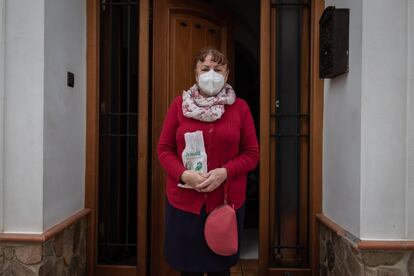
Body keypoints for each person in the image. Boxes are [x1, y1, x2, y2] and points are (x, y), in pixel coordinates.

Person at [157, 48, 259, 276]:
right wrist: (184, 175)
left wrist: (226, 172)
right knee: (188, 269)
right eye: (205, 69)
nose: (211, 74)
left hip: (224, 203)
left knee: (219, 270)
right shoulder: (178, 106)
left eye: (218, 69)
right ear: (196, 73)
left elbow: (252, 153)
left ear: (227, 73)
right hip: (185, 203)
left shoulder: (240, 108)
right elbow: (164, 149)